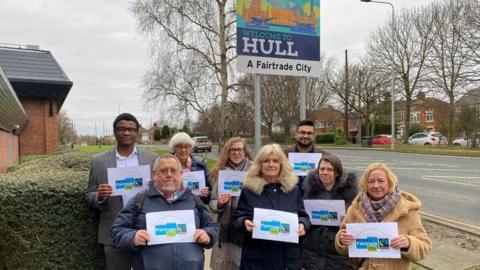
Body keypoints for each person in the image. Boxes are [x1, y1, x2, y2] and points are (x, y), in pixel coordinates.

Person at [111, 154, 218, 270]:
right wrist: (133, 237)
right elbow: (117, 230)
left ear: (180, 174)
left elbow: (212, 226)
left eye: (173, 171)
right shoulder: (140, 200)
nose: (169, 175)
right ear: (154, 174)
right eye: (163, 171)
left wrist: (207, 234)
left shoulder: (194, 200)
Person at [85, 113, 159, 270]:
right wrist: (99, 196)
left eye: (131, 129)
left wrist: (156, 187)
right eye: (122, 129)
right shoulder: (98, 161)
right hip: (114, 230)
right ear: (114, 132)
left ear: (137, 132)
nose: (126, 133)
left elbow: (165, 191)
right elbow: (89, 194)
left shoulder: (152, 159)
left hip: (147, 228)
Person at [336, 163, 432, 270]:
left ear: (390, 183)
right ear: (365, 184)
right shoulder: (354, 209)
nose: (376, 186)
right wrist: (341, 240)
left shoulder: (408, 211)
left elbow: (425, 247)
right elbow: (342, 244)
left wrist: (408, 243)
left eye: (381, 181)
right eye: (371, 181)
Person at [233, 144, 311, 270]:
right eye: (266, 161)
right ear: (259, 165)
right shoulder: (249, 190)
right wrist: (244, 222)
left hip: (287, 259)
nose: (271, 164)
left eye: (275, 161)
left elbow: (303, 216)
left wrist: (303, 224)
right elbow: (237, 218)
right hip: (257, 258)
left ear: (281, 165)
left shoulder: (292, 190)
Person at [302, 154, 357, 270]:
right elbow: (303, 216)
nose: (325, 172)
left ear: (337, 172)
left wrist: (348, 222)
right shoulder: (308, 191)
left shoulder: (351, 195)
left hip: (338, 254)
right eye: (322, 169)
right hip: (312, 253)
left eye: (329, 169)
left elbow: (359, 222)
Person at [209, 137, 254, 270]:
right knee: (225, 264)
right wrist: (219, 203)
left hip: (247, 226)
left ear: (245, 151)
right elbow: (212, 203)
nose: (236, 153)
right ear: (227, 152)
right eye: (233, 150)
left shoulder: (254, 170)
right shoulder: (220, 172)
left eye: (240, 149)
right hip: (225, 229)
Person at [284, 119, 330, 196]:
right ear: (295, 134)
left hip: (315, 199)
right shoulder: (283, 155)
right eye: (302, 132)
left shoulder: (326, 156)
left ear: (314, 136)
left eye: (309, 133)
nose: (305, 136)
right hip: (288, 199)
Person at [169, 132, 211, 204]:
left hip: (195, 206)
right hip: (173, 207)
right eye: (179, 147)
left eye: (186, 146)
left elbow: (210, 193)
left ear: (191, 148)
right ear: (174, 148)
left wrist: (206, 194)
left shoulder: (200, 165)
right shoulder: (166, 165)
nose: (183, 150)